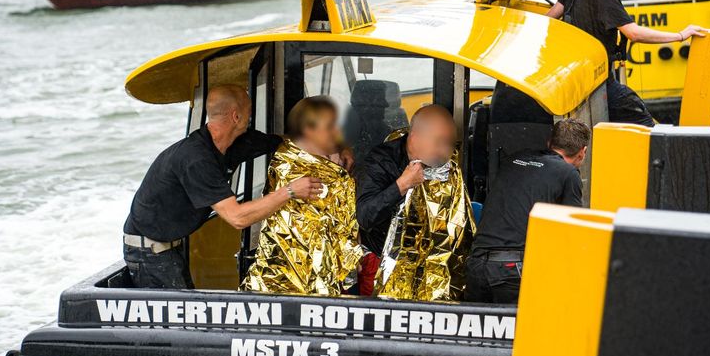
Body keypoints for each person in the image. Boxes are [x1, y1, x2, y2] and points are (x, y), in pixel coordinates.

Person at [122, 85, 324, 289]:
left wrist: (334, 148)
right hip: (149, 252)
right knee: (182, 319)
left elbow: (283, 142)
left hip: (172, 245)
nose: (252, 115)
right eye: (250, 110)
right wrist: (289, 191)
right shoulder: (196, 159)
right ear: (236, 117)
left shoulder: (232, 144)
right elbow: (237, 218)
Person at [545, 0, 706, 126]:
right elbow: (633, 33)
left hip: (576, 81)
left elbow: (550, 18)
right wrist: (679, 36)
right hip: (600, 83)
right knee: (647, 126)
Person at [241, 97, 365, 296]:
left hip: (337, 272)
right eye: (330, 127)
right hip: (294, 281)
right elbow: (315, 233)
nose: (337, 133)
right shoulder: (291, 170)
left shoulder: (330, 157)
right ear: (309, 130)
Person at [355, 105, 474, 301]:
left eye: (450, 144)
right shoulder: (381, 162)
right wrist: (401, 185)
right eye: (440, 142)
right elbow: (365, 216)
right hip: (383, 266)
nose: (446, 151)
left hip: (431, 269)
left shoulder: (447, 167)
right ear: (415, 137)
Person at [465, 119, 590, 304]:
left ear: (549, 143)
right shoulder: (568, 173)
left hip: (476, 265)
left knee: (476, 329)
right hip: (512, 270)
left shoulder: (514, 160)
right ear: (582, 153)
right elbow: (572, 233)